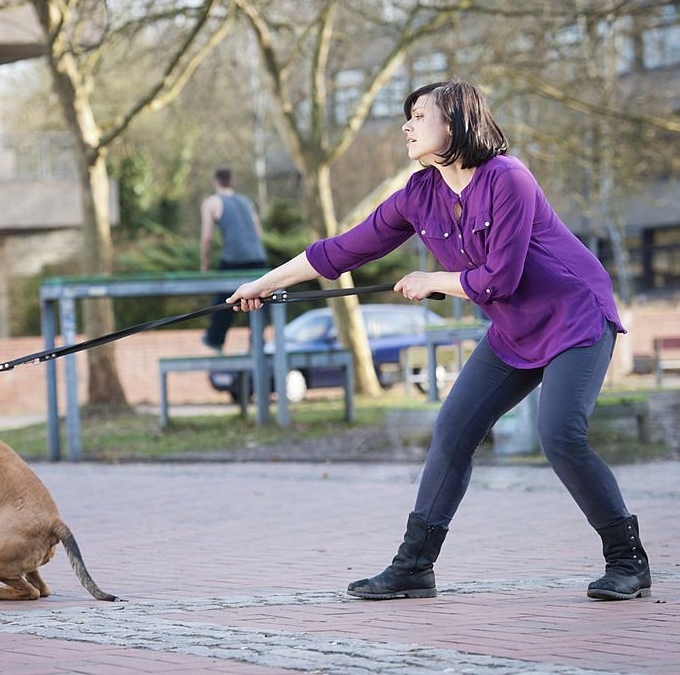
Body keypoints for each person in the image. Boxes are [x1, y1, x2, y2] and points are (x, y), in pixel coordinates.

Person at [226, 80, 651, 602]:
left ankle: (627, 561)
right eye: (408, 116)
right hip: (513, 331)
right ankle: (413, 567)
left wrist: (433, 281)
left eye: (420, 115)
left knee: (559, 433)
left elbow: (499, 279)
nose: (407, 125)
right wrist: (262, 285)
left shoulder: (508, 179)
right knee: (452, 431)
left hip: (574, 317)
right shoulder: (418, 195)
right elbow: (341, 251)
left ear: (456, 123)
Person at [200, 167, 268, 351]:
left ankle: (214, 339)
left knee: (226, 299)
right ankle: (257, 342)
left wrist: (204, 261)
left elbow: (207, 237)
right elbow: (258, 232)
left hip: (234, 259)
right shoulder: (246, 201)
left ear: (215, 182)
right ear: (232, 182)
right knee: (257, 300)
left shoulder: (212, 202)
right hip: (258, 257)